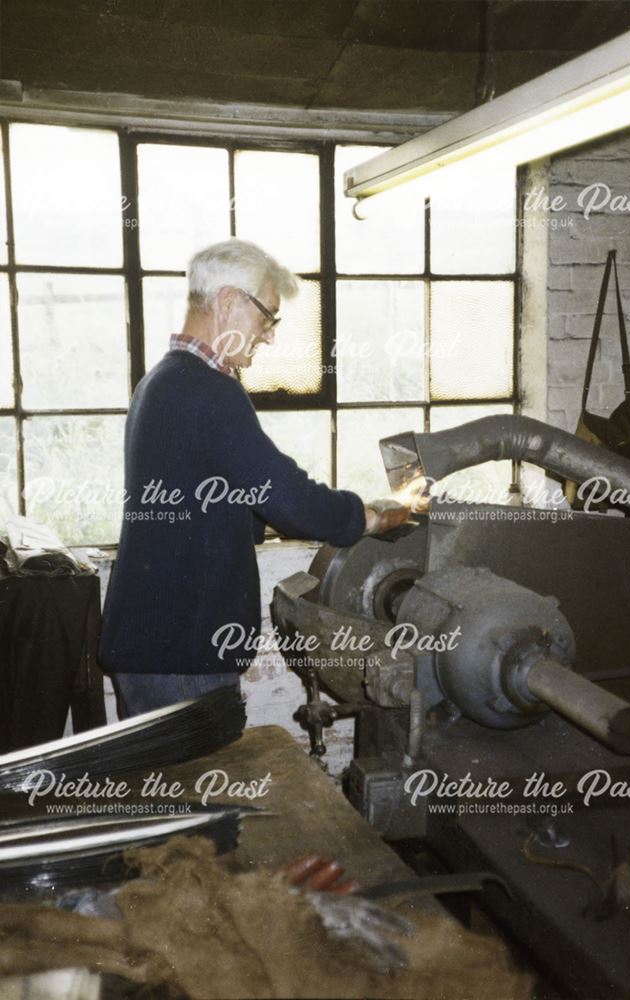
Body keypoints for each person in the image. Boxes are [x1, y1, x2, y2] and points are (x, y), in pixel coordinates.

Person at [99, 239, 409, 718]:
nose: (269, 335)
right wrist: (367, 516)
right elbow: (286, 494)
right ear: (227, 302)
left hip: (156, 646)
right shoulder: (208, 391)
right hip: (184, 655)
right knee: (202, 791)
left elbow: (210, 494)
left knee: (173, 792)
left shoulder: (160, 381)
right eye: (267, 316)